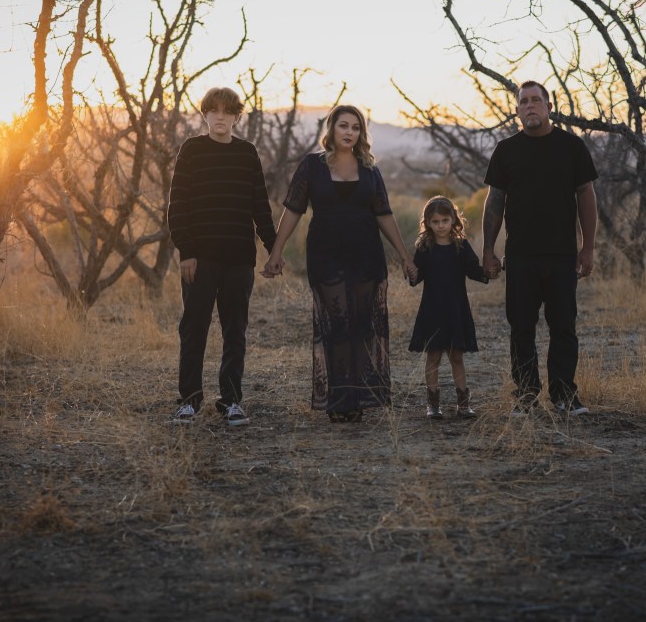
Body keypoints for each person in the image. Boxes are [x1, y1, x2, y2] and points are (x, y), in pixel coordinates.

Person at [263, 105, 417, 423]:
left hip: (366, 253)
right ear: (331, 129)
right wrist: (275, 252)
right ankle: (339, 398)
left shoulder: (370, 169)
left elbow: (384, 215)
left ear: (361, 133)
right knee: (337, 326)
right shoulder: (312, 166)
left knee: (361, 326)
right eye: (343, 126)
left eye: (356, 127)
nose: (349, 132)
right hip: (325, 252)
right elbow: (293, 210)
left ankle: (357, 397)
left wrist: (404, 255)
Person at [482, 80, 598, 416]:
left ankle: (563, 395)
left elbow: (586, 196)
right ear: (517, 111)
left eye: (536, 101)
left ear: (549, 107)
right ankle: (527, 395)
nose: (530, 106)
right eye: (524, 102)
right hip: (519, 257)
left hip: (562, 255)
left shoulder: (571, 147)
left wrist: (587, 247)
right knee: (521, 328)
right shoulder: (506, 150)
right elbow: (495, 201)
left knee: (564, 326)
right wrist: (489, 250)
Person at [167, 87, 276, 426]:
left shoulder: (247, 153)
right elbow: (177, 205)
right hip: (200, 259)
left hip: (239, 259)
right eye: (212, 110)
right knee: (194, 328)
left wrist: (273, 249)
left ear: (236, 116)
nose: (219, 116)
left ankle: (230, 401)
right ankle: (189, 401)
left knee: (235, 331)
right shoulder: (192, 150)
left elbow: (259, 203)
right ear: (204, 114)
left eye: (226, 111)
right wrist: (187, 252)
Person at [408, 196, 488, 420]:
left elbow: (474, 271)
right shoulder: (424, 248)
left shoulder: (461, 246)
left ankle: (463, 404)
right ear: (428, 223)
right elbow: (417, 277)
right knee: (433, 357)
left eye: (445, 220)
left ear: (454, 219)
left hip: (456, 309)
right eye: (435, 221)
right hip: (433, 309)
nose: (441, 225)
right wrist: (412, 273)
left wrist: (489, 271)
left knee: (457, 357)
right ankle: (433, 405)